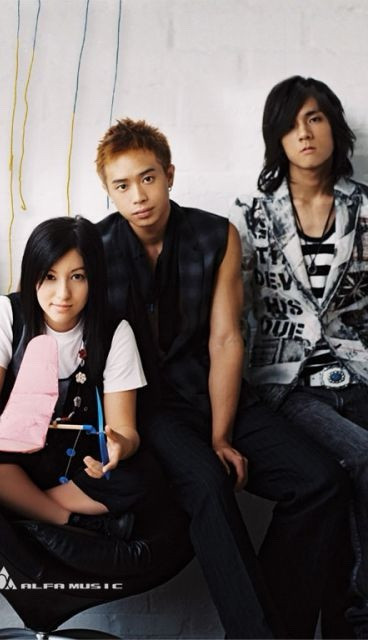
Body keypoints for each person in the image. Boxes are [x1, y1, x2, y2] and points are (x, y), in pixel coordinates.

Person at [94, 117, 352, 638]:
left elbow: (226, 340)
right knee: (209, 484)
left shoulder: (216, 235)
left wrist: (221, 435)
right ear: (109, 192)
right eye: (121, 186)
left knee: (321, 482)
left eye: (148, 178)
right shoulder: (95, 248)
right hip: (148, 407)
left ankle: (277, 629)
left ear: (169, 174)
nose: (138, 196)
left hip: (214, 391)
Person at [230, 75, 368, 638]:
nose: (305, 133)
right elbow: (235, 316)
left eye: (314, 118)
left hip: (359, 373)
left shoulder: (365, 207)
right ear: (276, 139)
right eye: (290, 125)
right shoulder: (253, 216)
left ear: (334, 127)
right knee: (362, 459)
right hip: (289, 383)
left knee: (343, 495)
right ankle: (359, 620)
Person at [0, 216, 155, 538]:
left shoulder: (114, 331)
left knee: (145, 474)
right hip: (14, 453)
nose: (63, 293)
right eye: (49, 276)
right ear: (32, 274)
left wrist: (119, 447)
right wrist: (10, 433)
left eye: (77, 276)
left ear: (94, 278)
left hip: (77, 458)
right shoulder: (7, 313)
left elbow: (125, 429)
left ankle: (20, 506)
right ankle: (67, 519)